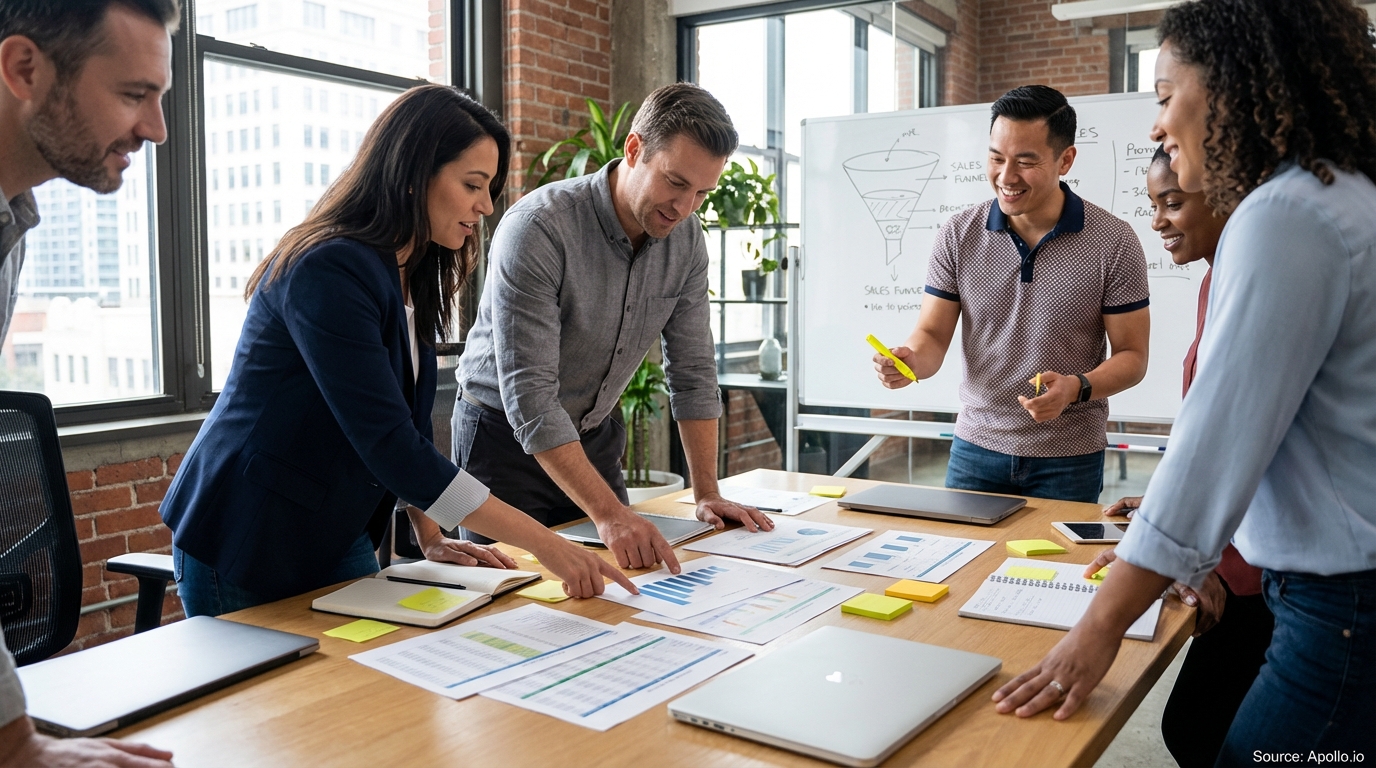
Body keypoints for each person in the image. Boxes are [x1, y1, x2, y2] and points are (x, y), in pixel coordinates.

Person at [993, 1, 1376, 762]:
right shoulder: (1341, 193)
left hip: (1341, 603)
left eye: (1167, 96)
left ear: (1233, 85)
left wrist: (1099, 628)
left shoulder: (1285, 213)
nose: (1158, 124)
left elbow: (1218, 442)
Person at [160, 84, 638, 618]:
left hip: (333, 529)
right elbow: (389, 444)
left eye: (489, 188)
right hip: (249, 532)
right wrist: (549, 546)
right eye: (472, 185)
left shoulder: (411, 271)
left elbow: (406, 422)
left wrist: (430, 535)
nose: (485, 206)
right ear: (413, 174)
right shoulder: (329, 268)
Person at [453, 82, 772, 575]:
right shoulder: (539, 227)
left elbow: (692, 370)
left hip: (594, 438)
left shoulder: (686, 240)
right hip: (501, 445)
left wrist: (707, 493)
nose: (684, 207)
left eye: (701, 193)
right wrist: (609, 514)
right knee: (515, 600)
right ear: (634, 149)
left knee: (625, 587)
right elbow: (531, 397)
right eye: (675, 182)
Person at [0, 1, 179, 765]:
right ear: (24, 69)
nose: (156, 130)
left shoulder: (12, 224)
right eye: (135, 94)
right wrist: (18, 747)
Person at [874, 85, 1151, 503]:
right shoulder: (958, 234)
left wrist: (1075, 387)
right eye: (996, 158)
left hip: (1069, 456)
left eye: (1025, 161)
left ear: (1065, 160)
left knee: (1058, 552)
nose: (1006, 177)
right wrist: (910, 361)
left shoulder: (1113, 241)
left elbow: (1133, 356)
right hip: (975, 448)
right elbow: (931, 335)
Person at [1098, 147, 1271, 767]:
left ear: (1225, 194)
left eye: (1172, 202)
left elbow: (1243, 438)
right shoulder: (1212, 282)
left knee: (1202, 729)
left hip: (1259, 565)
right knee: (1198, 727)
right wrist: (1165, 505)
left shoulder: (1255, 284)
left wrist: (1180, 545)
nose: (1158, 221)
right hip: (1232, 549)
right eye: (1153, 205)